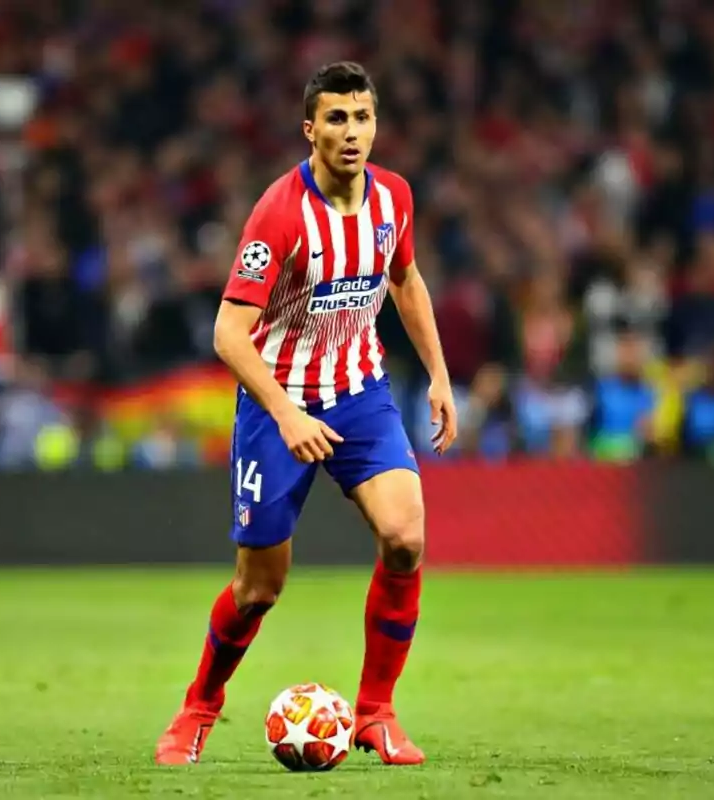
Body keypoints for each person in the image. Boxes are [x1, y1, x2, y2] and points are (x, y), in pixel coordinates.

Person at [155, 62, 457, 767]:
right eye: (337, 119)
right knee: (260, 587)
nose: (353, 133)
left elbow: (405, 280)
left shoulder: (395, 200)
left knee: (405, 537)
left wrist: (440, 375)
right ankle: (199, 706)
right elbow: (229, 333)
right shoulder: (280, 212)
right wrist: (286, 413)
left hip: (360, 394)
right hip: (277, 403)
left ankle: (375, 713)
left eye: (363, 118)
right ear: (310, 130)